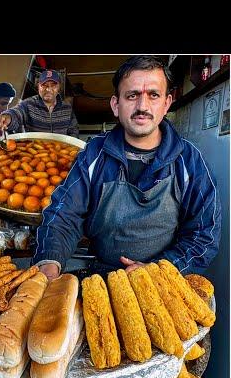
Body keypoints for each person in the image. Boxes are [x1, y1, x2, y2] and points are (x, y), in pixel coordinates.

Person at [33, 56, 221, 281]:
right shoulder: (94, 154)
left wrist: (158, 270)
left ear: (166, 104)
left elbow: (204, 236)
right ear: (116, 105)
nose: (142, 106)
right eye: (132, 96)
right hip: (100, 274)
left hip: (163, 280)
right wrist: (49, 263)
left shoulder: (189, 162)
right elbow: (63, 215)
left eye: (153, 95)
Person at [0, 69, 79, 137]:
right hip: (34, 153)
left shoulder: (67, 108)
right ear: (38, 86)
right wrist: (8, 117)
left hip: (60, 153)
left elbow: (73, 132)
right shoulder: (28, 104)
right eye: (44, 85)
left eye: (53, 85)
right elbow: (16, 113)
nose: (48, 89)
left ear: (59, 87)